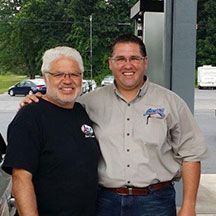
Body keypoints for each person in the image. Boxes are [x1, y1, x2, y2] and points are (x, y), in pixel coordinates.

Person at [20, 34, 207, 216]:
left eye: (134, 58)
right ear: (110, 63)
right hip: (105, 201)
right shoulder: (88, 103)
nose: (127, 65)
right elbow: (59, 104)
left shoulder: (170, 102)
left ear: (145, 62)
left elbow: (191, 154)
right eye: (120, 59)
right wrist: (36, 100)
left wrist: (188, 205)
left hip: (155, 201)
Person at [2, 46, 99, 216]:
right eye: (59, 74)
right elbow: (21, 179)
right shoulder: (30, 117)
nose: (67, 80)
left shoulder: (80, 111)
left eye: (74, 74)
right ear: (46, 77)